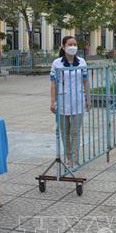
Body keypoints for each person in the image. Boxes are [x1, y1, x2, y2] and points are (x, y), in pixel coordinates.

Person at [49, 36, 90, 169]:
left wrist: (88, 98)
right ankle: (68, 157)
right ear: (63, 46)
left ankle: (75, 158)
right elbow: (53, 84)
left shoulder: (82, 62)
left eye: (75, 44)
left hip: (78, 101)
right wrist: (52, 101)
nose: (73, 47)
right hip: (62, 101)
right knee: (64, 132)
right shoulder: (56, 63)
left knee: (75, 132)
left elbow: (85, 82)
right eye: (70, 44)